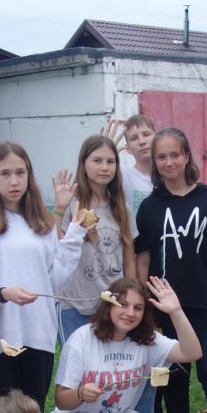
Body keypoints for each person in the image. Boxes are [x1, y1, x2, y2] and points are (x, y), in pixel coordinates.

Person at [0, 141, 91, 413]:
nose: (14, 181)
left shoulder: (41, 221)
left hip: (38, 333)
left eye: (20, 173)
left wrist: (75, 235)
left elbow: (53, 283)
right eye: (5, 173)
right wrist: (2, 293)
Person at [134, 127, 207, 413]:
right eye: (161, 157)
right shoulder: (150, 207)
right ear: (155, 162)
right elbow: (143, 260)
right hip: (164, 308)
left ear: (186, 156)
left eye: (174, 155)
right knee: (173, 379)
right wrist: (144, 306)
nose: (168, 162)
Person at [48, 276, 202, 413]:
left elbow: (192, 353)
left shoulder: (146, 340)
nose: (130, 313)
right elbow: (61, 401)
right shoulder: (82, 339)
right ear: (109, 305)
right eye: (123, 304)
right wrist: (80, 394)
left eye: (138, 308)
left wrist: (176, 311)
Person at [57, 134, 138, 342]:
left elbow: (129, 260)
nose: (104, 167)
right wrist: (59, 209)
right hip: (74, 304)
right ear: (83, 164)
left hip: (112, 305)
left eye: (110, 161)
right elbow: (56, 248)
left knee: (108, 360)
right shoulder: (72, 205)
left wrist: (130, 296)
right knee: (77, 361)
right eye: (97, 160)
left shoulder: (122, 208)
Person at [120, 114, 157, 217]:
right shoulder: (123, 175)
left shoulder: (170, 175)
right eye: (134, 138)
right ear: (128, 148)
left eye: (146, 134)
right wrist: (108, 150)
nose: (142, 141)